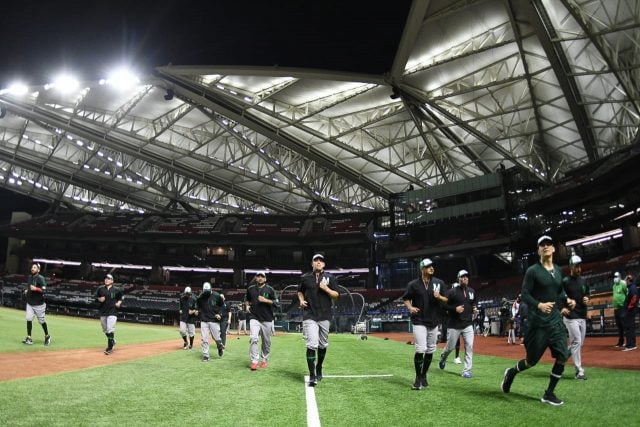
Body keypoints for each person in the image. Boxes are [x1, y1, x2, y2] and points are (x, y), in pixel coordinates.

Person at [501, 235, 576, 406]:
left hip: (555, 321)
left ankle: (549, 393)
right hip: (538, 324)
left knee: (563, 355)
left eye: (549, 244)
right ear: (538, 250)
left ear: (554, 249)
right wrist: (539, 305)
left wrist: (567, 300)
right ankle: (511, 372)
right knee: (531, 361)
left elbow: (559, 292)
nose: (546, 246)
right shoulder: (533, 271)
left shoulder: (558, 270)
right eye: (542, 245)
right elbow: (525, 295)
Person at [402, 258, 446, 390]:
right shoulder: (413, 284)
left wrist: (440, 297)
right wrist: (410, 308)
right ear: (422, 269)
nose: (432, 268)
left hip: (434, 320)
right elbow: (406, 298)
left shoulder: (439, 283)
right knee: (421, 349)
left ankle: (424, 375)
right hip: (419, 320)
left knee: (431, 349)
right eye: (428, 266)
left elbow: (447, 299)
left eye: (432, 266)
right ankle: (417, 377)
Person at [298, 254, 339, 387]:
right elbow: (300, 291)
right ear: (312, 264)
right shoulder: (305, 278)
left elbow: (337, 295)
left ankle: (319, 366)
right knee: (312, 344)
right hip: (310, 314)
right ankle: (312, 375)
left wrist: (326, 288)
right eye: (316, 260)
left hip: (325, 315)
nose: (318, 262)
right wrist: (301, 300)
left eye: (321, 261)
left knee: (323, 345)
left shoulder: (330, 277)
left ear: (324, 264)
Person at [438, 269, 476, 378]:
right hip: (454, 324)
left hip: (468, 324)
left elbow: (473, 303)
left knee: (469, 346)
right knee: (450, 347)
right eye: (463, 277)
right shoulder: (451, 292)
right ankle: (443, 357)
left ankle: (467, 370)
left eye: (467, 277)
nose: (465, 278)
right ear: (458, 279)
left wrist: (474, 309)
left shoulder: (472, 291)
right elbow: (443, 305)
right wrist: (455, 309)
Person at [561, 255, 590, 379]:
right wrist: (562, 307)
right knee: (577, 341)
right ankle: (579, 370)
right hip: (570, 316)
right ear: (571, 267)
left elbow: (587, 294)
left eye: (579, 266)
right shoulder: (565, 281)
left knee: (577, 343)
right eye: (576, 266)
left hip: (581, 314)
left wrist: (587, 299)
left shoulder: (584, 281)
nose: (579, 269)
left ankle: (561, 360)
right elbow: (558, 296)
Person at [246, 271, 277, 370]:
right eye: (258, 276)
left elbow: (277, 303)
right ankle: (254, 361)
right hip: (254, 317)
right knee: (253, 338)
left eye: (262, 276)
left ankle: (264, 359)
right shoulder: (250, 289)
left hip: (267, 318)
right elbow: (247, 299)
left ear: (265, 279)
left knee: (266, 341)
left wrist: (266, 300)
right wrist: (247, 305)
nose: (260, 278)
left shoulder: (270, 289)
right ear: (256, 278)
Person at [21, 262, 51, 346]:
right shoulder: (30, 277)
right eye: (32, 267)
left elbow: (44, 290)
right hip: (30, 303)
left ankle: (47, 336)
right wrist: (27, 290)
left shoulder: (41, 278)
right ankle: (29, 338)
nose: (32, 268)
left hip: (39, 304)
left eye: (34, 267)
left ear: (38, 270)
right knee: (29, 318)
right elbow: (29, 287)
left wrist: (36, 288)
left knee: (41, 321)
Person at [95, 273, 124, 355]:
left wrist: (119, 302)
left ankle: (109, 347)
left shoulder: (117, 290)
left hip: (112, 312)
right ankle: (113, 341)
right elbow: (95, 297)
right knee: (105, 329)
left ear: (112, 280)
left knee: (110, 328)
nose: (106, 280)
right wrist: (99, 299)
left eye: (108, 278)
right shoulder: (100, 289)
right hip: (103, 311)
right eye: (105, 278)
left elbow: (121, 297)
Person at [196, 282, 225, 362]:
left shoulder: (216, 295)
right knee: (204, 339)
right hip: (204, 320)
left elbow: (222, 306)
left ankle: (220, 347)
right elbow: (198, 306)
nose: (206, 293)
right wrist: (197, 311)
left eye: (208, 291)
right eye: (205, 291)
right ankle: (206, 356)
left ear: (211, 289)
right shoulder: (201, 297)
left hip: (214, 320)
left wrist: (219, 314)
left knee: (217, 338)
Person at [622, 274, 638, 351]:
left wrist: (629, 307)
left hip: (630, 311)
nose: (625, 281)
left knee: (628, 328)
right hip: (631, 310)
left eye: (626, 280)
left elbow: (634, 298)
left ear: (629, 280)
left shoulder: (632, 288)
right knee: (631, 328)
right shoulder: (631, 287)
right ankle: (633, 344)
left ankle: (630, 345)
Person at [612, 271, 628, 348]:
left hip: (622, 307)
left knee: (624, 325)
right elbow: (615, 295)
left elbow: (626, 293)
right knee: (619, 326)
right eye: (614, 277)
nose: (615, 278)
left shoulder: (623, 283)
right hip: (616, 308)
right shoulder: (614, 286)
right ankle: (620, 342)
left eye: (616, 276)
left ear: (620, 277)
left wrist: (625, 304)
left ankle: (628, 342)